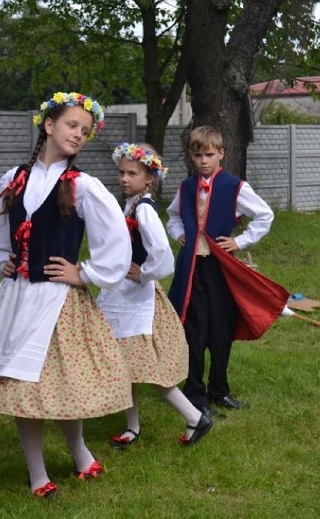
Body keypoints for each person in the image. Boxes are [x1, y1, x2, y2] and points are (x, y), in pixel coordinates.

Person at [0, 92, 133, 499]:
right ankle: (37, 472)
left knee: (62, 383)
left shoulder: (82, 186)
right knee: (23, 386)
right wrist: (1, 260)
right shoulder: (13, 179)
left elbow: (116, 239)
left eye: (85, 131)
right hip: (19, 297)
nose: (79, 135)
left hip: (59, 300)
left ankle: (79, 451)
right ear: (49, 125)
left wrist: (85, 272)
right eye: (72, 125)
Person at [97, 143, 213, 449]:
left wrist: (144, 272)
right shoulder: (132, 205)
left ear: (149, 179)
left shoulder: (144, 209)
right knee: (127, 368)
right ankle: (132, 427)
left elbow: (162, 253)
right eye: (121, 172)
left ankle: (195, 416)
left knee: (147, 369)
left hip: (136, 301)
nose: (124, 178)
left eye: (132, 173)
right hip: (120, 296)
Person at [167, 125, 274, 417]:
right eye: (198, 154)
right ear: (192, 156)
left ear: (221, 154)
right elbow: (173, 215)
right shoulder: (186, 187)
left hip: (221, 269)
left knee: (221, 330)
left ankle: (219, 390)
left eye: (209, 154)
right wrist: (178, 232)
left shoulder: (234, 186)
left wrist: (240, 241)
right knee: (194, 331)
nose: (203, 160)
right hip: (192, 270)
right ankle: (194, 394)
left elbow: (265, 215)